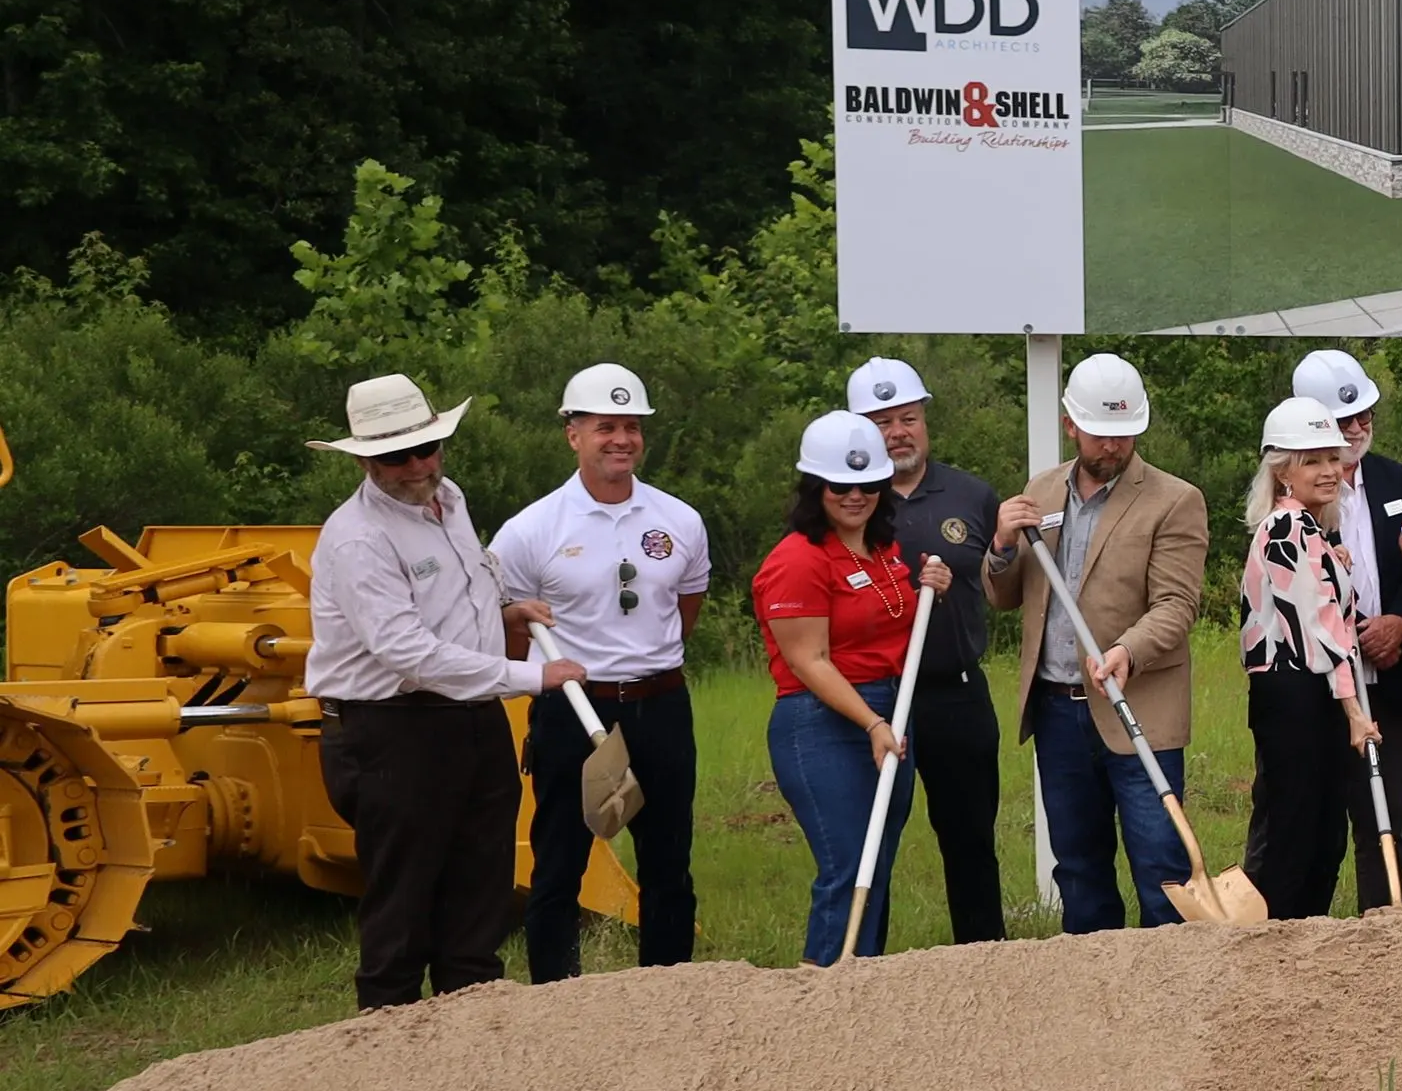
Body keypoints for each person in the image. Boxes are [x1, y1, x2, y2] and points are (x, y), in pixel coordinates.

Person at [304, 373, 581, 1008]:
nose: (416, 465)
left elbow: (452, 600)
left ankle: (470, 1046)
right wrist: (532, 678)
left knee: (481, 890)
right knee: (404, 902)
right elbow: (404, 650)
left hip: (470, 717)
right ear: (365, 459)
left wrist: (503, 615)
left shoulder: (449, 500)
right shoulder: (357, 537)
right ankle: (387, 1054)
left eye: (426, 448)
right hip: (389, 729)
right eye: (395, 456)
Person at [490, 361, 707, 979]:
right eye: (605, 426)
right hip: (573, 710)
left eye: (632, 426)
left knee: (669, 861)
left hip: (661, 705)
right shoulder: (531, 530)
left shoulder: (680, 520)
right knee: (560, 863)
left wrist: (641, 667)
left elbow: (683, 611)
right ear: (573, 434)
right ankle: (557, 1002)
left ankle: (667, 992)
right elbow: (507, 630)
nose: (622, 439)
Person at [992, 352, 1210, 933]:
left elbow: (1177, 605)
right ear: (1071, 425)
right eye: (1100, 434)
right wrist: (1002, 546)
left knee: (1162, 868)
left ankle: (1168, 992)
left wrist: (1128, 651)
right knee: (1080, 869)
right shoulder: (1038, 492)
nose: (1112, 447)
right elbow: (1004, 595)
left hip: (1138, 708)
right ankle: (1096, 999)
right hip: (1058, 711)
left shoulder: (1174, 500)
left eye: (1124, 434)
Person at [759, 410, 942, 965]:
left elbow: (893, 620)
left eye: (868, 484)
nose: (855, 495)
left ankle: (865, 990)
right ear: (816, 488)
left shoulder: (883, 550)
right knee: (847, 867)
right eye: (840, 485)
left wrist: (932, 583)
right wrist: (871, 723)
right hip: (823, 721)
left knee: (877, 865)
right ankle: (825, 994)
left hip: (891, 710)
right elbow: (809, 660)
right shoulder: (796, 560)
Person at [849, 357, 1010, 943]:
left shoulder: (971, 494)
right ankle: (864, 971)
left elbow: (1003, 579)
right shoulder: (848, 501)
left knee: (970, 842)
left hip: (955, 695)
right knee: (870, 843)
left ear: (924, 420)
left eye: (907, 418)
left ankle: (985, 961)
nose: (898, 432)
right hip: (876, 701)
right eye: (882, 422)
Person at [1274, 350, 1402, 900]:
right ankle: (1298, 933)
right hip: (1317, 687)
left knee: (1383, 820)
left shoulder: (1394, 480)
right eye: (1346, 421)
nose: (1359, 429)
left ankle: (1385, 930)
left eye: (1366, 415)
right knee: (1309, 820)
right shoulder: (1291, 499)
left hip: (1387, 678)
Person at [1237, 397, 1385, 919]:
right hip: (1293, 691)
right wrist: (1355, 715)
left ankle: (1309, 946)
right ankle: (1278, 944)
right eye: (1312, 461)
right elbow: (1322, 634)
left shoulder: (1311, 533)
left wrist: (1334, 560)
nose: (1330, 471)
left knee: (1325, 832)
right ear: (1283, 473)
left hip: (1308, 691)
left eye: (1332, 458)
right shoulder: (1285, 530)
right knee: (1297, 835)